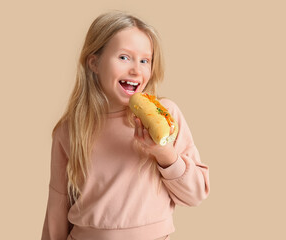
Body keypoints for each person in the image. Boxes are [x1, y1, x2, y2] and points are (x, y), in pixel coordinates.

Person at [41, 11, 210, 240]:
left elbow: (196, 194)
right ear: (95, 62)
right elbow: (57, 206)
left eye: (145, 61)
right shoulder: (70, 129)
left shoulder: (165, 116)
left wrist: (164, 152)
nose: (136, 70)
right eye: (124, 57)